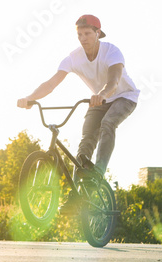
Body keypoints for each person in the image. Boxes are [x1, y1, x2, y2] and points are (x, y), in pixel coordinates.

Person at [17, 14, 139, 214]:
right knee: (84, 144)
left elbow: (114, 81)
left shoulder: (112, 52)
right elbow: (51, 83)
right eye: (79, 34)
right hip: (98, 100)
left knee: (108, 123)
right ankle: (76, 195)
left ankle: (98, 172)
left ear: (97, 33)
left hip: (124, 98)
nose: (83, 38)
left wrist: (101, 94)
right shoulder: (74, 57)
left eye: (87, 33)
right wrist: (30, 98)